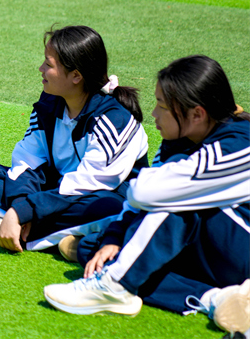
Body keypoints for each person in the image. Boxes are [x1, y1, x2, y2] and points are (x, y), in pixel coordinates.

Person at [43, 56, 250, 336]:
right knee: (96, 249)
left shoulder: (239, 143)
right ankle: (217, 298)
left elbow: (144, 191)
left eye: (162, 105)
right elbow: (137, 198)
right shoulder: (182, 141)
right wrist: (115, 236)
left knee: (176, 198)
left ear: (197, 115)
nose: (153, 114)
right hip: (213, 257)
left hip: (240, 251)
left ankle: (115, 285)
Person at [0, 26, 148, 253]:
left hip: (100, 196)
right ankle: (60, 236)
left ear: (76, 75)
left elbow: (87, 184)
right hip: (59, 190)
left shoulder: (114, 119)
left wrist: (24, 211)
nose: (40, 69)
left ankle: (0, 227)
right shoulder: (50, 102)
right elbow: (27, 160)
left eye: (49, 64)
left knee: (109, 208)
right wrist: (20, 206)